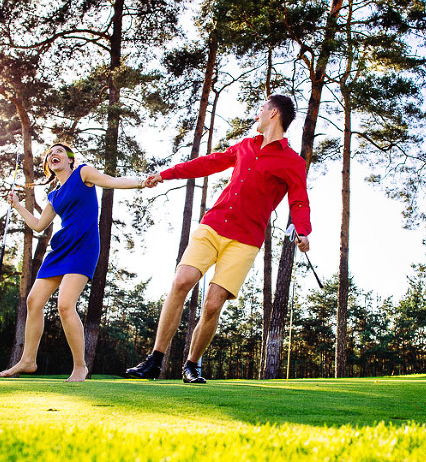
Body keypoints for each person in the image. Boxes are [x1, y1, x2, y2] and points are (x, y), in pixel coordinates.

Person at [125, 94, 312, 384]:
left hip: (246, 240)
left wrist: (303, 230)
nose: (257, 112)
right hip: (213, 225)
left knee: (213, 304)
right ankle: (155, 360)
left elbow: (299, 200)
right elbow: (207, 163)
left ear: (273, 113)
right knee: (182, 280)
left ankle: (192, 364)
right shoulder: (245, 146)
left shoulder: (292, 161)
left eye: (261, 108)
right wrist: (165, 174)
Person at [0, 142, 153, 382]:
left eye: (59, 151)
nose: (53, 154)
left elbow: (111, 181)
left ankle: (80, 367)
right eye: (50, 153)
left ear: (70, 159)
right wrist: (17, 205)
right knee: (33, 301)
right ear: (49, 165)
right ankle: (28, 360)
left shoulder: (83, 173)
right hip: (60, 248)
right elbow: (39, 225)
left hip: (83, 246)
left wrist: (142, 181)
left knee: (65, 305)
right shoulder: (54, 195)